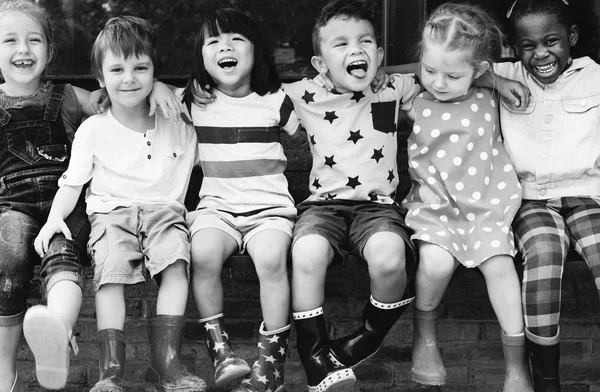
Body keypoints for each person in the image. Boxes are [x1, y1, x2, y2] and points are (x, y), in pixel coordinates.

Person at [0, 1, 179, 391]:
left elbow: (123, 97)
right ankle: (4, 371)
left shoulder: (68, 96)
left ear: (49, 50)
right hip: (13, 207)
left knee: (62, 256)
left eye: (34, 40)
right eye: (9, 40)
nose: (23, 50)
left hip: (67, 206)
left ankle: (58, 332)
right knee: (8, 263)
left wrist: (159, 84)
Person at [33, 15, 206, 392]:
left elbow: (217, 85)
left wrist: (165, 87)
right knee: (110, 274)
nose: (129, 78)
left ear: (155, 72)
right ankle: (111, 372)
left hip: (165, 212)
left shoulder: (179, 115)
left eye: (141, 68)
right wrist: (53, 220)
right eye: (117, 69)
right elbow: (72, 183)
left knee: (176, 264)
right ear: (100, 79)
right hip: (111, 214)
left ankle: (166, 366)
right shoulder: (93, 129)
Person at [383, 4, 532, 391]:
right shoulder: (414, 101)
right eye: (429, 70)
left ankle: (516, 367)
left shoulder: (488, 97)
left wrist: (495, 83)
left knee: (501, 266)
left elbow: (492, 77)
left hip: (487, 206)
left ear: (478, 72)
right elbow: (382, 75)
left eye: (452, 75)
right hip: (435, 208)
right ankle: (425, 340)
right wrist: (420, 74)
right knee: (434, 264)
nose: (439, 82)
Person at [282, 0, 421, 390]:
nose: (355, 50)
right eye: (340, 44)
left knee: (391, 259)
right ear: (319, 63)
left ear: (378, 54)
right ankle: (314, 356)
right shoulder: (301, 94)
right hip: (322, 207)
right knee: (305, 253)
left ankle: (365, 338)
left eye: (365, 42)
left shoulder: (392, 86)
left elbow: (445, 68)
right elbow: (240, 90)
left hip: (378, 210)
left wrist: (498, 79)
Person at [181, 8, 300, 392]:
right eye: (213, 42)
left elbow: (322, 116)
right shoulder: (192, 103)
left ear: (256, 52)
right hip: (217, 208)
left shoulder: (278, 101)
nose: (224, 46)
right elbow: (142, 93)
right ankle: (221, 353)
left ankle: (271, 366)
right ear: (202, 58)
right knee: (202, 254)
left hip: (269, 211)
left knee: (270, 259)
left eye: (236, 39)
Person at [496, 0, 600, 390]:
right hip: (530, 200)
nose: (540, 53)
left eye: (551, 41)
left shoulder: (595, 78)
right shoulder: (505, 73)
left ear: (571, 37)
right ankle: (547, 377)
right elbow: (448, 69)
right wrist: (496, 82)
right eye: (527, 45)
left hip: (587, 195)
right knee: (543, 253)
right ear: (514, 47)